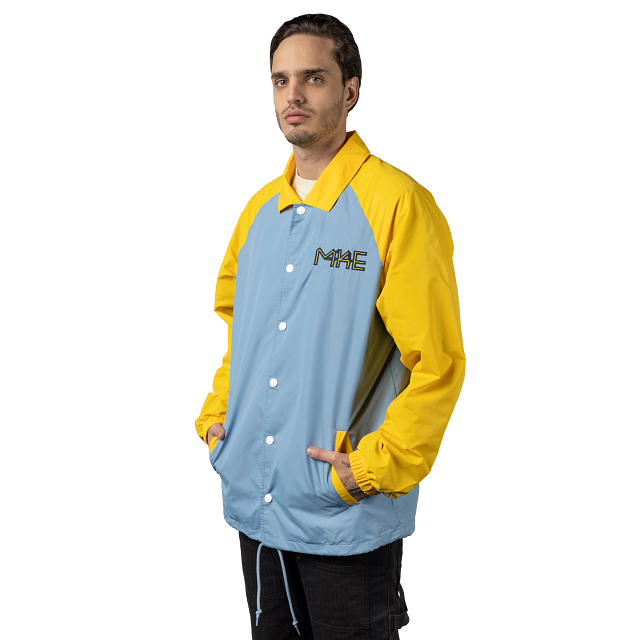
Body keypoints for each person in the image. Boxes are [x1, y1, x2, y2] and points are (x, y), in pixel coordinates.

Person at [195, 13, 466, 640]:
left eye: (313, 78)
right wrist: (218, 423)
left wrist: (369, 469)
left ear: (350, 89)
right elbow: (242, 336)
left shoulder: (397, 204)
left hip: (343, 514)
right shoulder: (259, 212)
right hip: (258, 505)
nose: (293, 94)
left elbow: (437, 363)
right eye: (280, 80)